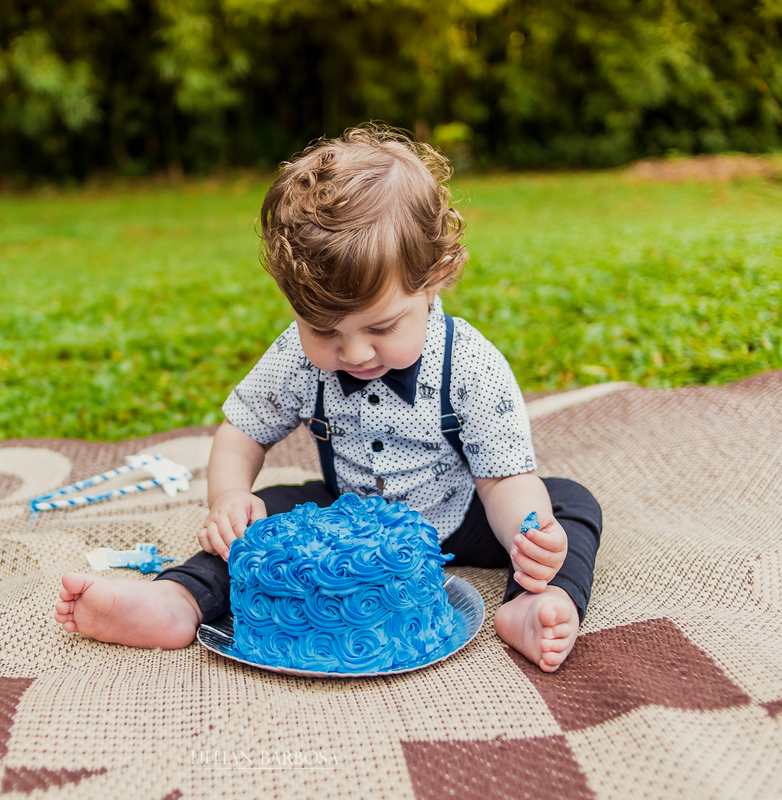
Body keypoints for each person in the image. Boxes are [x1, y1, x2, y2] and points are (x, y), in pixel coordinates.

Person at [55, 125, 601, 673]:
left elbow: (502, 479)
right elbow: (241, 430)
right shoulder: (295, 356)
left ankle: (533, 603)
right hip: (340, 523)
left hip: (460, 515)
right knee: (267, 515)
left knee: (568, 505)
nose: (356, 353)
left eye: (382, 327)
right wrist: (229, 498)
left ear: (433, 280)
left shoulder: (471, 365)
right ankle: (178, 601)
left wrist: (525, 536)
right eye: (325, 333)